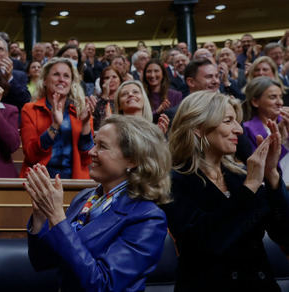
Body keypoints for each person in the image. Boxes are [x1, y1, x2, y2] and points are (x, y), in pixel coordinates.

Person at [25, 114, 171, 291]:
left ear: (133, 160)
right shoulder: (84, 198)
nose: (91, 151)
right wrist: (40, 219)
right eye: (95, 143)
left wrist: (57, 217)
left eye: (102, 146)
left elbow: (104, 284)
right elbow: (43, 263)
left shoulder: (148, 218)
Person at [162, 90, 289, 291]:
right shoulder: (172, 182)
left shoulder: (241, 176)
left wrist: (272, 174)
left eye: (237, 121)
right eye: (228, 121)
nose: (239, 129)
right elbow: (206, 243)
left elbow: (285, 234)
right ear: (199, 128)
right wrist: (250, 188)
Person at [20, 58, 93, 179]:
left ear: (71, 83)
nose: (61, 79)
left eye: (66, 76)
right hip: (39, 180)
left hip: (74, 181)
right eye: (56, 74)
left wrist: (85, 124)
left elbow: (87, 158)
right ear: (44, 80)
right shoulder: (30, 110)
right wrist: (55, 125)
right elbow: (31, 156)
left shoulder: (81, 111)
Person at [242, 76, 289, 183]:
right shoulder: (247, 129)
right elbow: (260, 167)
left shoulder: (286, 123)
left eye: (280, 97)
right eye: (273, 97)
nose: (280, 102)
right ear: (255, 102)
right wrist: (280, 141)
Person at [0, 35, 31, 111]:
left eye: (0, 49)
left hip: (11, 118)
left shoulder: (19, 75)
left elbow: (25, 101)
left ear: (7, 53)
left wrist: (10, 78)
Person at [92, 66, 123, 131]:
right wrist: (105, 96)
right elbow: (99, 123)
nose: (110, 80)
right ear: (102, 82)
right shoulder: (95, 101)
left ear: (120, 80)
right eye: (107, 78)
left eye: (114, 77)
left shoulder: (123, 100)